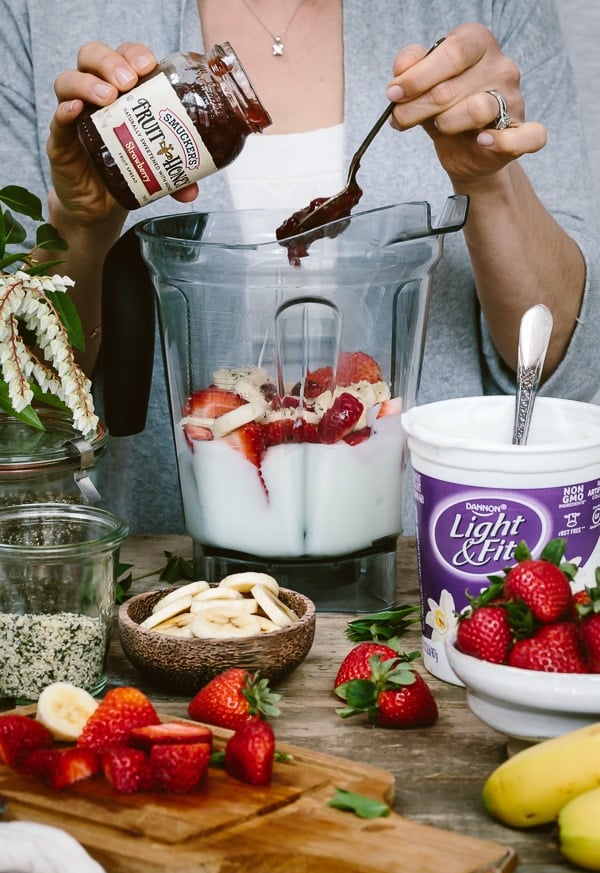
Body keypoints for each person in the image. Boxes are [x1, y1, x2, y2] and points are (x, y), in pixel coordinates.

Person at [1, 0, 598, 535]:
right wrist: (82, 229)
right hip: (174, 593)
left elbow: (567, 369)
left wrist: (488, 181)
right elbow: (22, 408)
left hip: (435, 575)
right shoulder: (39, 14)